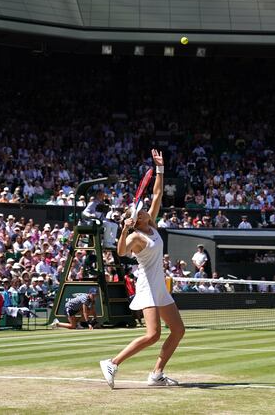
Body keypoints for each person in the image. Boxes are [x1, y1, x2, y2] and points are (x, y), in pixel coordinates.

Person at [100, 149, 185, 389]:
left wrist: (160, 168)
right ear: (138, 219)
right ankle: (112, 362)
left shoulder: (151, 225)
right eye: (144, 211)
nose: (149, 208)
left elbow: (157, 193)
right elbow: (121, 252)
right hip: (147, 285)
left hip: (160, 286)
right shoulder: (137, 236)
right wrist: (124, 230)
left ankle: (157, 375)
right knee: (153, 334)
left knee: (178, 330)